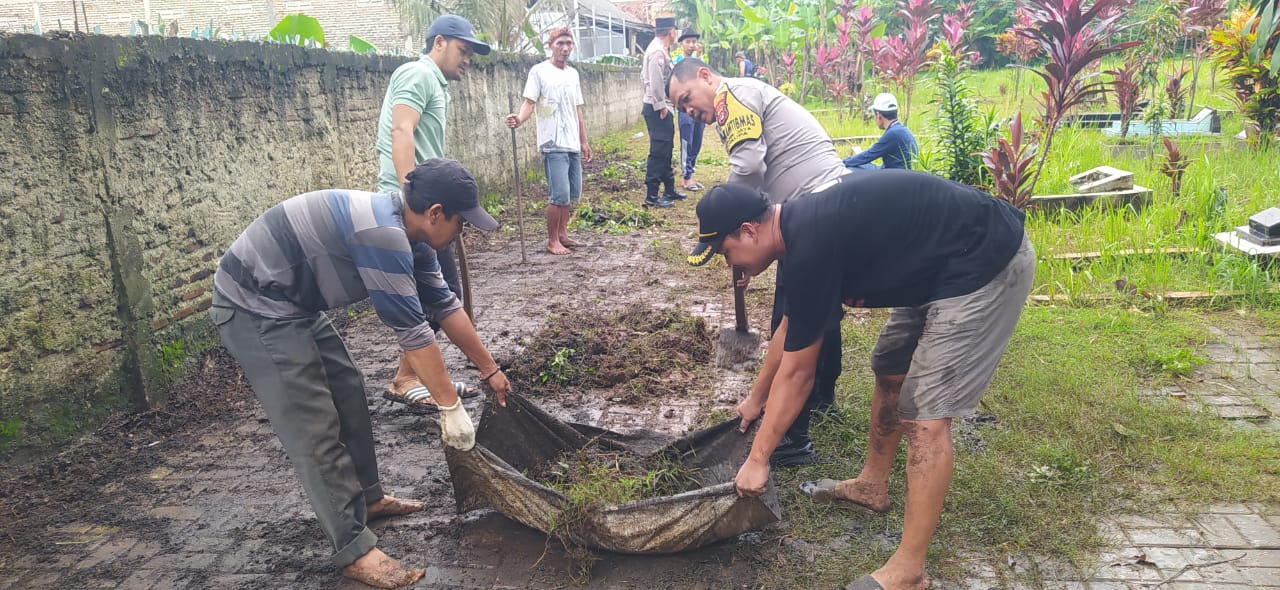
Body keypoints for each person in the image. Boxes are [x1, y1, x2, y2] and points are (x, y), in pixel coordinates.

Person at [687, 173, 1034, 590]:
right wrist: (754, 399)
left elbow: (799, 374)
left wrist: (758, 459)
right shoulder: (798, 235)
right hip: (935, 266)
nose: (731, 266)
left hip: (983, 263)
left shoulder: (811, 242)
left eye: (726, 253)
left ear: (748, 230)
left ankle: (909, 570)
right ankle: (872, 486)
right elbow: (790, 328)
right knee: (889, 366)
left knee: (925, 417)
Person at [211, 159, 514, 589]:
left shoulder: (416, 241)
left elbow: (445, 306)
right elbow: (414, 336)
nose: (461, 233)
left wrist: (491, 370)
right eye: (461, 223)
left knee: (348, 389)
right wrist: (449, 405)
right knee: (313, 424)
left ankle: (368, 500)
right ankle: (353, 549)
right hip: (254, 305)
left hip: (294, 304)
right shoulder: (384, 238)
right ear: (435, 213)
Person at [668, 57, 847, 467]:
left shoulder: (733, 95)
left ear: (705, 76)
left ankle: (792, 435)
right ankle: (820, 399)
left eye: (686, 98)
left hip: (810, 203)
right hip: (823, 199)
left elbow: (748, 167)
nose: (689, 111)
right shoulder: (742, 96)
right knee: (819, 309)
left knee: (791, 317)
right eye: (681, 109)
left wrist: (730, 226)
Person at [375, 14, 491, 408]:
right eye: (463, 50)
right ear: (438, 42)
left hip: (426, 207)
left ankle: (410, 376)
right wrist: (414, 196)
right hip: (417, 211)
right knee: (440, 298)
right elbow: (401, 129)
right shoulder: (418, 73)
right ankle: (407, 378)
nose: (467, 59)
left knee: (442, 296)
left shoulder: (436, 85)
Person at [505, 27, 592, 256]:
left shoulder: (573, 74)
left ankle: (563, 234)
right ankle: (552, 240)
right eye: (560, 43)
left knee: (573, 192)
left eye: (569, 44)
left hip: (572, 141)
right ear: (551, 45)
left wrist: (584, 141)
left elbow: (577, 110)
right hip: (552, 142)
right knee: (559, 194)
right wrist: (519, 118)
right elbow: (530, 102)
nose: (565, 48)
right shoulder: (539, 71)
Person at [639, 16, 686, 208]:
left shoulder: (658, 49)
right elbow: (655, 82)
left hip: (660, 106)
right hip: (658, 107)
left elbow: (644, 78)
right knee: (659, 151)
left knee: (666, 149)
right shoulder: (657, 52)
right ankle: (651, 196)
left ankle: (669, 189)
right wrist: (661, 107)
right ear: (671, 31)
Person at [843, 92, 918, 170]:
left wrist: (842, 163)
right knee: (862, 165)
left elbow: (868, 155)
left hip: (893, 176)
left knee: (851, 169)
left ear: (878, 115)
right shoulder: (900, 129)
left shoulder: (893, 134)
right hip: (900, 173)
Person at [674, 28, 706, 192]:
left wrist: (700, 57)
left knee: (697, 142)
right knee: (687, 141)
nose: (691, 45)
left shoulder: (700, 60)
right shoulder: (676, 61)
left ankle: (691, 173)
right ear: (681, 43)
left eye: (694, 41)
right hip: (685, 109)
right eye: (688, 42)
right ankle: (686, 178)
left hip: (700, 107)